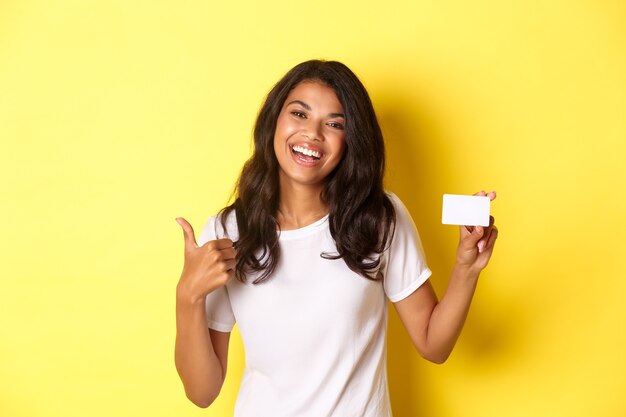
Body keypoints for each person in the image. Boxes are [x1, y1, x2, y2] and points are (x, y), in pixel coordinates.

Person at [174, 60, 498, 417]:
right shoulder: (228, 231)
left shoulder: (378, 218)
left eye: (334, 123)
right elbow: (202, 392)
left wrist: (467, 268)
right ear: (273, 122)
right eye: (299, 114)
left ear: (350, 141)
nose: (313, 133)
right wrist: (187, 295)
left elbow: (433, 345)